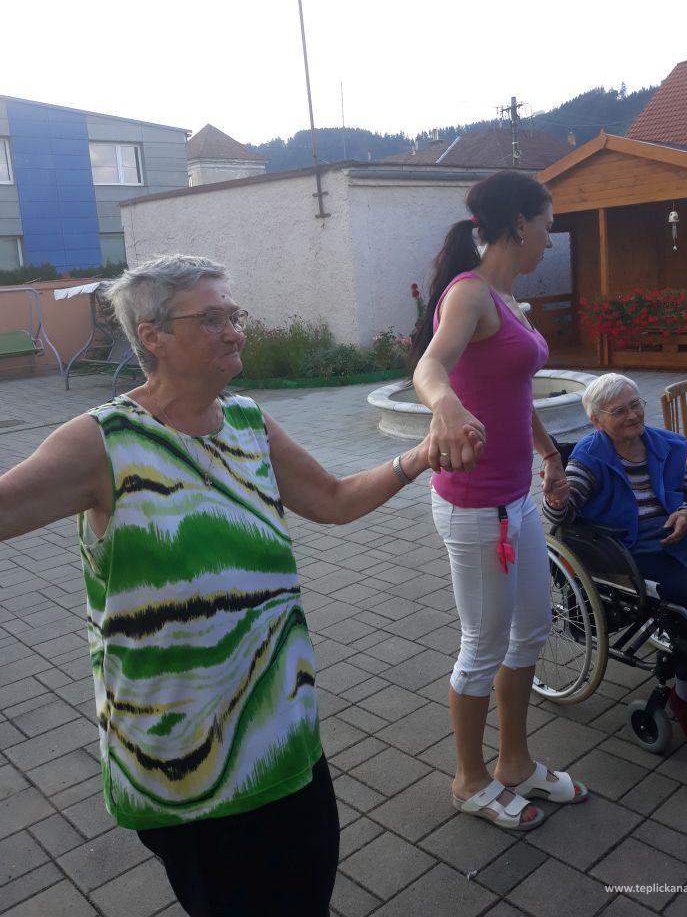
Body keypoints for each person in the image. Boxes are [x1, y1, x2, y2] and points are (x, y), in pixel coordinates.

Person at [0, 254, 483, 917]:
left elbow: (334, 499)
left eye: (235, 315)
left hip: (282, 731)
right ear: (152, 336)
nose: (234, 331)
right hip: (183, 759)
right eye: (211, 319)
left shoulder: (249, 423)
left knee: (308, 892)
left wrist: (419, 456)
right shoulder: (103, 442)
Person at [411, 170, 588, 832]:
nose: (550, 237)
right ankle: (470, 779)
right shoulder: (469, 293)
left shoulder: (509, 300)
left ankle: (514, 762)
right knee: (483, 644)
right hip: (475, 505)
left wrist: (549, 453)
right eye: (548, 224)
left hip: (516, 500)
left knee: (533, 628)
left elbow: (516, 391)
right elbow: (430, 366)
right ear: (520, 223)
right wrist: (448, 406)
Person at [541, 372, 687, 754]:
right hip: (633, 552)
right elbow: (565, 511)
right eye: (619, 411)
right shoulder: (589, 457)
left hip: (686, 540)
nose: (632, 416)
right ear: (596, 420)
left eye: (635, 405)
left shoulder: (665, 444)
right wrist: (556, 500)